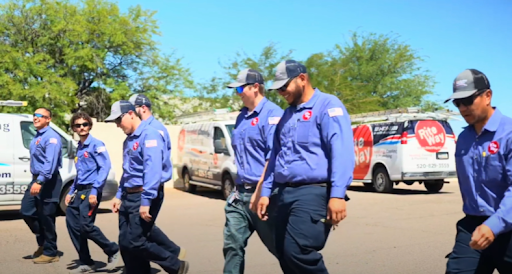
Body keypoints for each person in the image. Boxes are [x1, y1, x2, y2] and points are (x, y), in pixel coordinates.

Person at [256, 60, 354, 274]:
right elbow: (275, 156)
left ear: (302, 79)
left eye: (284, 86)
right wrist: (265, 192)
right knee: (282, 252)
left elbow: (342, 152)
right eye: (278, 88)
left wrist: (337, 195)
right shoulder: (287, 115)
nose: (281, 92)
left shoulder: (328, 106)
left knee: (298, 252)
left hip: (313, 191)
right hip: (282, 192)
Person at [105, 100, 189, 274]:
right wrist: (119, 195)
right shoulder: (128, 140)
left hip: (143, 194)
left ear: (130, 114)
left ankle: (175, 265)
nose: (117, 125)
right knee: (125, 243)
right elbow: (128, 171)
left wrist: (146, 201)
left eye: (118, 120)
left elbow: (152, 171)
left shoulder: (150, 135)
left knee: (137, 241)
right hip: (129, 195)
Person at [444, 69, 512, 273]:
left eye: (468, 100)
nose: (463, 108)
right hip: (473, 228)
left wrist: (494, 225)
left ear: (487, 96)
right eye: (458, 103)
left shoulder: (508, 134)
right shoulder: (463, 138)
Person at [223, 68, 283, 273]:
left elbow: (273, 156)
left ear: (255, 87)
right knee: (232, 246)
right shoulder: (241, 118)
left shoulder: (273, 115)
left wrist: (261, 191)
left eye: (240, 88)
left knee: (282, 249)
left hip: (266, 194)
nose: (237, 92)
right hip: (240, 194)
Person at [128, 93, 187, 261]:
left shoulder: (154, 130)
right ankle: (173, 253)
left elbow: (153, 165)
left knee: (139, 233)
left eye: (133, 110)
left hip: (152, 187)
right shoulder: (141, 129)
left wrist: (147, 195)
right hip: (142, 187)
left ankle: (173, 259)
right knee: (140, 230)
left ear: (143, 108)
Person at [65, 112, 120, 273]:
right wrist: (71, 191)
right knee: (72, 224)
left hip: (91, 190)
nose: (81, 127)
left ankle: (112, 250)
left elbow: (105, 167)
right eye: (77, 125)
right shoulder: (79, 147)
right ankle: (86, 262)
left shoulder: (96, 144)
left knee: (86, 226)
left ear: (89, 126)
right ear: (73, 128)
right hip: (80, 190)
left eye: (84, 124)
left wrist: (95, 190)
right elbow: (80, 173)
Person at [20, 108, 63, 264]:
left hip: (48, 181)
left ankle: (51, 252)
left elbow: (50, 163)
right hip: (37, 178)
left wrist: (40, 181)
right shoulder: (37, 136)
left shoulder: (52, 137)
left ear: (48, 119)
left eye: (40, 116)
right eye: (35, 115)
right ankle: (44, 242)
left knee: (47, 216)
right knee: (27, 210)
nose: (36, 118)